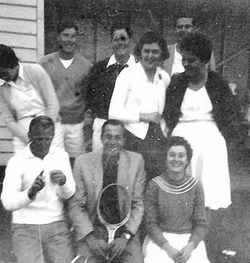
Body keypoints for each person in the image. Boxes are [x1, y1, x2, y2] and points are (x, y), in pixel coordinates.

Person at [163, 33, 240, 211]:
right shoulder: (177, 83)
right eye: (184, 60)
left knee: (208, 196)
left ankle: (200, 238)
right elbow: (168, 114)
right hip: (181, 142)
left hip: (210, 144)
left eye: (192, 60)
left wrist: (222, 139)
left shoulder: (218, 83)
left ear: (204, 60)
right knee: (180, 193)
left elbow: (231, 116)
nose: (186, 64)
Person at [67, 119, 145, 263]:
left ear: (124, 140)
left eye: (118, 137)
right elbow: (75, 206)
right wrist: (91, 238)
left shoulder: (136, 161)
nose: (113, 142)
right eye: (108, 137)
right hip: (94, 229)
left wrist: (125, 236)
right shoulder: (83, 162)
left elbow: (138, 205)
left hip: (124, 231)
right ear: (101, 138)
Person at [0, 116, 75, 263]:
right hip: (26, 226)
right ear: (29, 135)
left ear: (53, 136)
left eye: (48, 139)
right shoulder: (17, 161)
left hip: (55, 223)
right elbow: (7, 202)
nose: (43, 143)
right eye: (39, 138)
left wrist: (64, 182)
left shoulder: (61, 156)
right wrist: (30, 192)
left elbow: (69, 194)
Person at [143, 136, 215, 263]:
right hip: (161, 243)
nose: (176, 159)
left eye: (181, 155)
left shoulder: (195, 186)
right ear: (165, 158)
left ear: (187, 160)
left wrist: (190, 247)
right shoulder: (154, 185)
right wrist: (168, 249)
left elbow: (201, 224)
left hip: (189, 243)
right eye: (172, 155)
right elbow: (150, 224)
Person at [109, 31, 170, 180]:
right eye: (146, 51)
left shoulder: (164, 77)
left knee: (156, 181)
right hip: (133, 137)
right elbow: (113, 112)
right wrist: (143, 116)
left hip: (158, 139)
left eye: (155, 52)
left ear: (161, 54)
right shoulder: (127, 74)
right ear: (140, 52)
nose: (150, 56)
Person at [0, 44, 63, 153]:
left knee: (53, 163)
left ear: (12, 63)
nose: (3, 78)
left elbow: (52, 104)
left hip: (49, 127)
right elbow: (9, 120)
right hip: (23, 134)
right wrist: (28, 138)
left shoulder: (35, 71)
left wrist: (45, 133)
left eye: (4, 73)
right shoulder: (0, 89)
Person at [39, 20, 92, 166]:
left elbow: (88, 94)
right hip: (53, 122)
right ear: (58, 37)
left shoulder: (86, 65)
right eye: (66, 35)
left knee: (76, 161)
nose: (69, 40)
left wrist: (82, 115)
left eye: (73, 36)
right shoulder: (44, 63)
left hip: (75, 123)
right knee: (53, 162)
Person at [86, 21, 136, 151]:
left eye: (123, 38)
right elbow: (90, 97)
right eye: (116, 39)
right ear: (111, 42)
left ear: (130, 41)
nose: (120, 43)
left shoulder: (139, 69)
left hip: (129, 127)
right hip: (102, 124)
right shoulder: (99, 68)